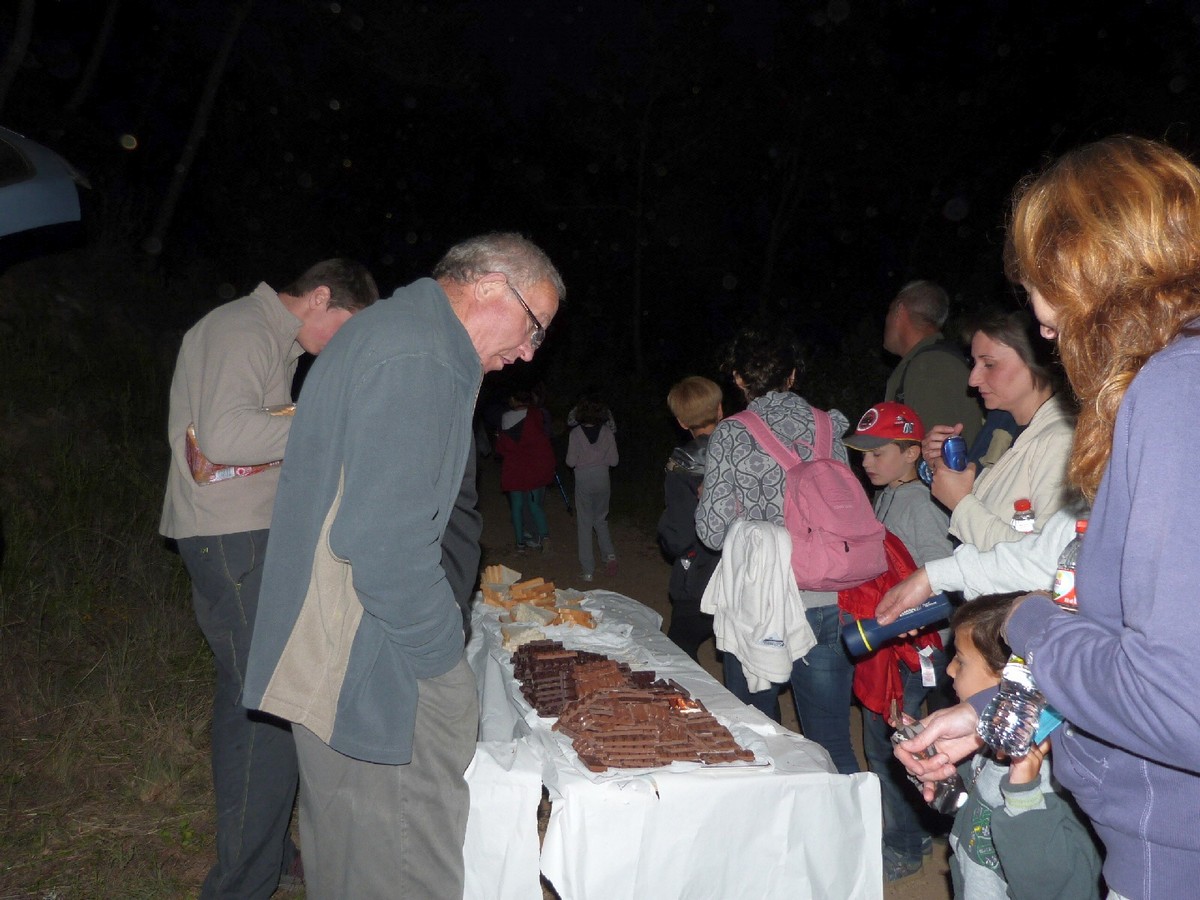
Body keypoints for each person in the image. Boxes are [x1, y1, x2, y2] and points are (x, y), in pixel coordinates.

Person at [895, 135, 1200, 900]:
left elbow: (1178, 701)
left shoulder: (1175, 394)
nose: (1040, 319)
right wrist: (998, 713)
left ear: (1085, 267)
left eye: (1037, 283)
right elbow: (1135, 639)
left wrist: (1027, 620)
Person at [242, 232, 563, 897]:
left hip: (341, 653)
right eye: (534, 326)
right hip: (373, 662)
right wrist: (442, 662)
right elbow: (383, 545)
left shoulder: (396, 332)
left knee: (351, 861)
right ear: (490, 287)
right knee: (407, 868)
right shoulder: (423, 355)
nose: (530, 352)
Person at [159, 259, 379, 898]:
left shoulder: (271, 339)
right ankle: (243, 882)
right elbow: (227, 437)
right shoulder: (242, 329)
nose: (343, 347)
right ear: (319, 298)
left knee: (252, 699)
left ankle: (268, 852)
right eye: (345, 328)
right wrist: (323, 418)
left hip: (243, 532)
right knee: (268, 705)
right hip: (232, 537)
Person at [694, 323, 860, 775]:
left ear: (738, 379)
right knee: (831, 740)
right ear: (792, 375)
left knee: (757, 734)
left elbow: (711, 533)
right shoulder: (829, 426)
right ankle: (857, 820)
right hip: (823, 597)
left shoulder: (731, 433)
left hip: (759, 602)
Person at [843, 402, 954, 881]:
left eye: (877, 453)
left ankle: (904, 846)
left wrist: (908, 625)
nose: (866, 462)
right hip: (893, 646)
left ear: (911, 453)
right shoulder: (889, 494)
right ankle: (921, 830)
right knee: (899, 738)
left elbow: (944, 580)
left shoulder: (919, 504)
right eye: (862, 454)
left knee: (892, 745)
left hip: (913, 651)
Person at [940, 595, 1102, 899]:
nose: (949, 669)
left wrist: (1023, 796)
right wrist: (941, 774)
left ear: (1011, 681)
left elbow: (1058, 886)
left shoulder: (1053, 782)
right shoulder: (993, 740)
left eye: (960, 660)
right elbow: (974, 803)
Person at [923, 308, 1075, 552]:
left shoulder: (1061, 441)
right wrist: (943, 468)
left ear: (1035, 362)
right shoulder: (1004, 429)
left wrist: (960, 503)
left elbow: (1046, 556)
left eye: (989, 364)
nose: (973, 379)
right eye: (974, 363)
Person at [657, 375, 723, 662]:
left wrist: (665, 534)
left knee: (679, 651)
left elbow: (679, 535)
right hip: (743, 572)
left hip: (700, 575)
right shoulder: (744, 452)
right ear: (720, 409)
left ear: (682, 423)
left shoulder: (682, 465)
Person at [883, 279, 983, 449]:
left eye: (889, 311)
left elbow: (938, 453)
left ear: (900, 310)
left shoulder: (929, 367)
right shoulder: (931, 361)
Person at [565, 391, 619, 582]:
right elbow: (614, 461)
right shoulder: (607, 432)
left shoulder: (575, 434)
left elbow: (570, 462)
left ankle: (588, 570)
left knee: (585, 523)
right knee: (601, 519)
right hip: (603, 478)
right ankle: (609, 556)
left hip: (584, 480)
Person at [495, 390, 556, 553]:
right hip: (534, 468)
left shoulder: (506, 417)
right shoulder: (537, 415)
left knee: (517, 506)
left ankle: (520, 544)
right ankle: (545, 537)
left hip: (514, 468)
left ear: (513, 399)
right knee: (535, 505)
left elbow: (502, 447)